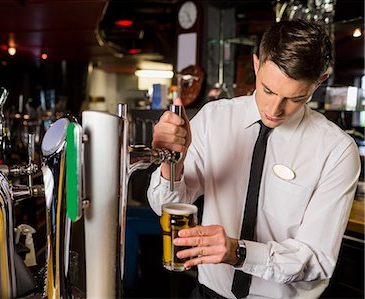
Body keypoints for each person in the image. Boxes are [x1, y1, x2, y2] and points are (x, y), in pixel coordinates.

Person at [147, 19, 361, 299]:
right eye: (268, 90)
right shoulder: (215, 118)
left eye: (295, 98)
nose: (275, 109)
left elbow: (316, 259)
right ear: (257, 65)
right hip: (208, 294)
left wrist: (239, 252)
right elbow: (163, 205)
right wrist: (171, 161)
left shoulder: (337, 150)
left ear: (319, 82)